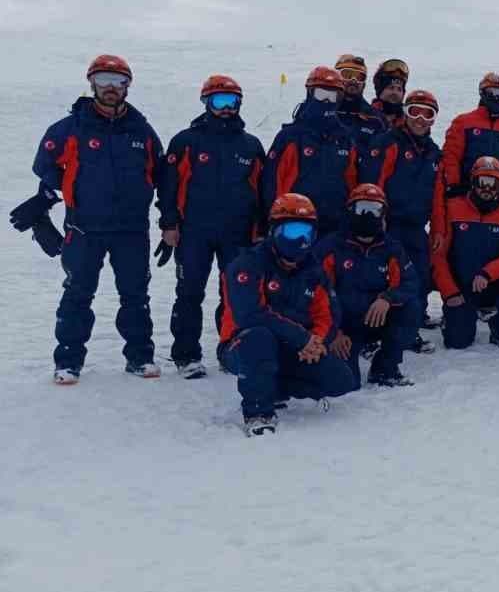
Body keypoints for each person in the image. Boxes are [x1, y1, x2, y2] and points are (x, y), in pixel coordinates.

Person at [30, 54, 167, 383]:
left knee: (135, 295)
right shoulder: (70, 128)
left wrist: (169, 220)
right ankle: (68, 361)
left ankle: (139, 358)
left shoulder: (142, 131)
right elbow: (45, 165)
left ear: (127, 87)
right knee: (78, 292)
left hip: (131, 230)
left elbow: (162, 174)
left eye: (117, 81)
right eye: (103, 80)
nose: (110, 87)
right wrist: (51, 199)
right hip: (84, 227)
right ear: (92, 83)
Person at [217, 193, 358, 435]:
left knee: (342, 379)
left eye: (306, 233)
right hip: (243, 344)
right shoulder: (248, 264)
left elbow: (327, 314)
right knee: (259, 337)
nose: (300, 241)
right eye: (292, 232)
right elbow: (250, 315)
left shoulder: (313, 269)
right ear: (274, 231)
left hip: (296, 346)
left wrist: (316, 342)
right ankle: (258, 411)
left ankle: (275, 386)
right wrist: (302, 338)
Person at [159, 74, 267, 378]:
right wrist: (168, 223)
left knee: (234, 292)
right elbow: (168, 186)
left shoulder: (250, 145)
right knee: (190, 291)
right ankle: (186, 355)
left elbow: (262, 191)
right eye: (219, 101)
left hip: (238, 231)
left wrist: (260, 229)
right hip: (194, 230)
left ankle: (230, 347)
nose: (226, 108)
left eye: (232, 101)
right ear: (207, 102)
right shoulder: (186, 142)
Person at [314, 184, 422, 388]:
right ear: (350, 212)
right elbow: (318, 296)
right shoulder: (330, 247)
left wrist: (388, 298)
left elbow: (410, 282)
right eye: (362, 208)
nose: (368, 215)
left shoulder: (392, 248)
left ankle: (385, 368)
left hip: (376, 319)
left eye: (375, 210)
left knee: (411, 307)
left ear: (383, 215)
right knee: (347, 383)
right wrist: (333, 332)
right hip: (343, 326)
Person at [366, 88, 443, 347]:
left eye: (427, 114)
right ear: (405, 114)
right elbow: (374, 184)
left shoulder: (434, 153)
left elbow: (437, 196)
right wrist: (376, 219)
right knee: (385, 276)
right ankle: (374, 333)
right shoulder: (390, 143)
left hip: (415, 226)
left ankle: (411, 327)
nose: (420, 119)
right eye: (414, 112)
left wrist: (438, 228)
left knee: (419, 276)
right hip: (388, 224)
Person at [432, 156, 499, 352]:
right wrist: (450, 292)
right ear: (473, 182)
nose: (487, 188)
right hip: (462, 286)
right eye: (482, 182)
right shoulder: (452, 209)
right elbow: (437, 256)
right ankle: (454, 315)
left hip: (492, 282)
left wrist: (488, 273)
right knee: (457, 341)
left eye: (493, 183)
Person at [264, 66, 360, 233]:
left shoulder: (344, 138)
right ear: (310, 93)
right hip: (295, 223)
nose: (326, 101)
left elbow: (351, 181)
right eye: (321, 94)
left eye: (332, 96)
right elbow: (273, 182)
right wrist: (272, 223)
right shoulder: (290, 136)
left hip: (334, 228)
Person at [438, 72, 499, 225]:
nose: (496, 97)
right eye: (491, 92)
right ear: (482, 93)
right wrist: (453, 184)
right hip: (467, 196)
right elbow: (451, 156)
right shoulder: (463, 122)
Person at [333, 54, 388, 145]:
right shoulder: (323, 110)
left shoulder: (375, 118)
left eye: (360, 77)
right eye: (347, 74)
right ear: (336, 77)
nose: (353, 80)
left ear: (364, 84)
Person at [371, 58, 411, 128]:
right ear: (380, 91)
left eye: (399, 89)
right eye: (391, 88)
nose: (395, 93)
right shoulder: (365, 116)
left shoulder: (410, 124)